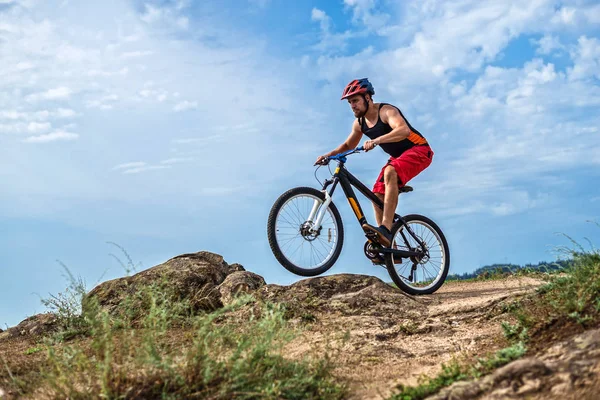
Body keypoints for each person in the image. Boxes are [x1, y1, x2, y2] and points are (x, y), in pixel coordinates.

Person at [315, 78, 434, 258]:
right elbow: (348, 144)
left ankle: (386, 228)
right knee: (376, 193)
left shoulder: (386, 111)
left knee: (390, 171)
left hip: (419, 150)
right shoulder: (360, 123)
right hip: (398, 157)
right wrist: (328, 155)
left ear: (368, 98)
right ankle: (385, 246)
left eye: (355, 100)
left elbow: (403, 131)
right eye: (349, 103)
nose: (352, 106)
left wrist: (377, 140)